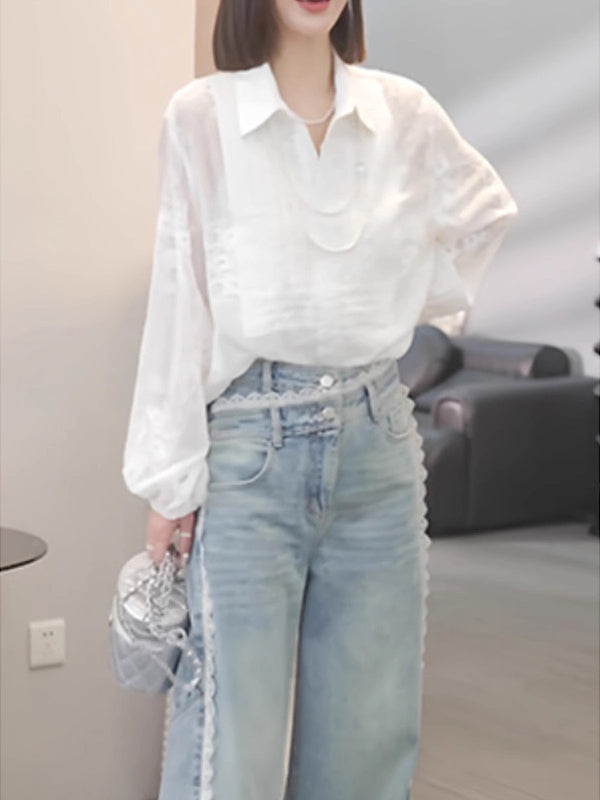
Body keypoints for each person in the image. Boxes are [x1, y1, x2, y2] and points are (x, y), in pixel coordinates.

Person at [121, 0, 519, 797]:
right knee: (229, 747)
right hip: (248, 449)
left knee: (367, 743)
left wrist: (397, 298)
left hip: (378, 445)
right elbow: (180, 297)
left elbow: (484, 214)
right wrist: (170, 481)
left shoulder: (403, 112)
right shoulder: (202, 116)